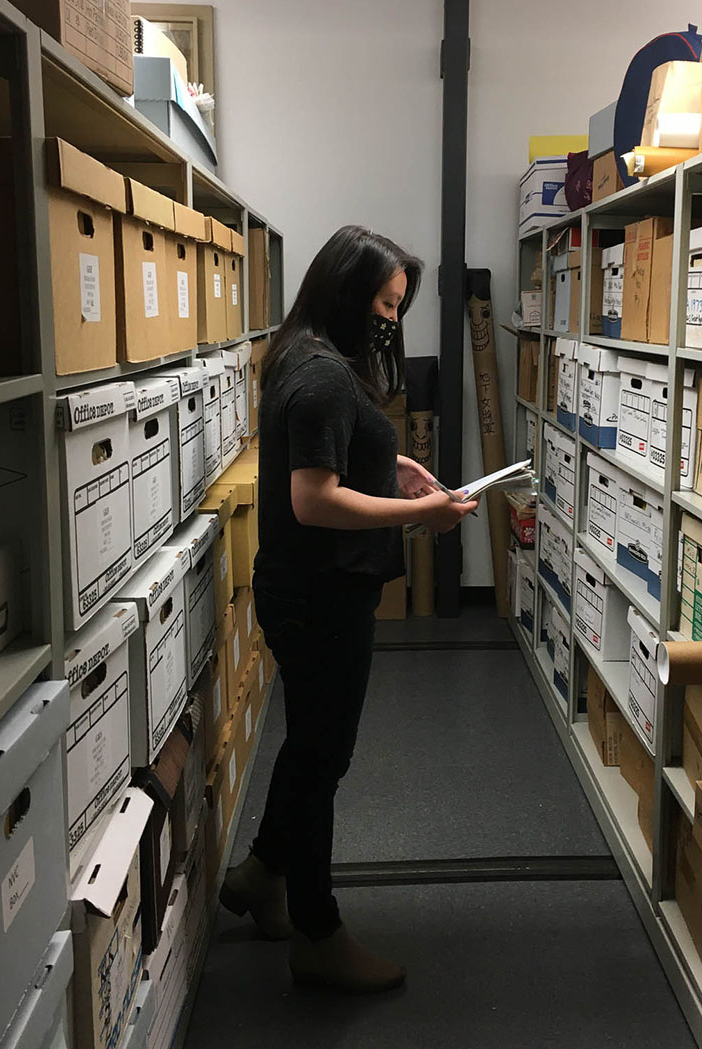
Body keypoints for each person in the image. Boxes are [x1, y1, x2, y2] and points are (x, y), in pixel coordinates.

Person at [219, 226, 478, 993]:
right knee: (323, 756)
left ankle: (264, 872)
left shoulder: (304, 353)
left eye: (399, 306)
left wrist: (388, 463)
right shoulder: (326, 375)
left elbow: (324, 457)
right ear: (347, 290)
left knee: (309, 746)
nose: (392, 319)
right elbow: (314, 499)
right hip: (320, 595)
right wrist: (420, 518)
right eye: (384, 302)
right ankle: (318, 933)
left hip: (309, 590)